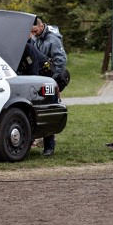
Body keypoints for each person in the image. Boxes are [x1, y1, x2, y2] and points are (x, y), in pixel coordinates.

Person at [31, 17, 68, 156]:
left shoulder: (53, 39)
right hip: (38, 78)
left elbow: (61, 61)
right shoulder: (37, 38)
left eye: (34, 31)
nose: (33, 34)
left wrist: (53, 81)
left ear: (40, 26)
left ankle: (49, 147)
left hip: (50, 79)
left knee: (49, 109)